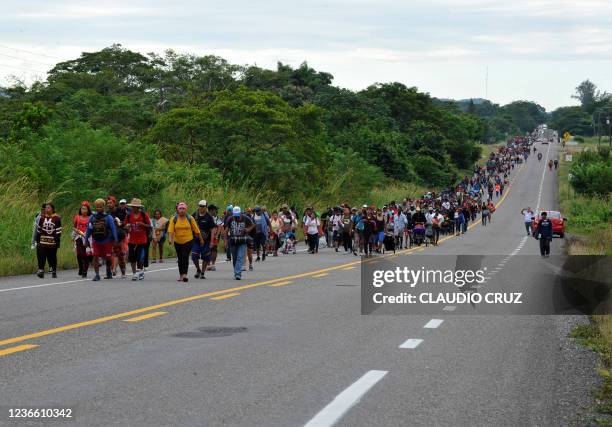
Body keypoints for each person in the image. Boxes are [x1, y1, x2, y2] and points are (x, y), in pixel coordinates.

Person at [168, 202, 202, 283]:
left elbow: (196, 230)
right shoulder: (174, 219)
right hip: (177, 241)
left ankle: (185, 275)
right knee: (180, 258)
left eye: (183, 209)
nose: (182, 210)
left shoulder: (190, 218)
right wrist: (170, 239)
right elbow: (170, 230)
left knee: (185, 256)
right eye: (180, 209)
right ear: (178, 209)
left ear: (186, 210)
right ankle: (181, 275)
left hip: (188, 240)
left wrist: (201, 239)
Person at [85, 198, 118, 281]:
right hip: (96, 241)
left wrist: (115, 240)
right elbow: (88, 230)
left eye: (100, 206)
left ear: (104, 207)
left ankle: (108, 271)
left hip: (107, 241)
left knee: (108, 258)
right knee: (95, 257)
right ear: (95, 207)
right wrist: (86, 240)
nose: (99, 208)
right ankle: (97, 275)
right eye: (97, 207)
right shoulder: (92, 218)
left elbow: (113, 229)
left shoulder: (108, 217)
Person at [124, 198, 151, 281]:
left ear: (139, 207)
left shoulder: (144, 215)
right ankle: (134, 273)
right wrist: (127, 226)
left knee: (140, 257)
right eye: (133, 207)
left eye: (136, 207)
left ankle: (141, 271)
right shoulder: (129, 215)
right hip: (132, 240)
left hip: (142, 240)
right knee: (132, 257)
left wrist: (142, 224)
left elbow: (149, 225)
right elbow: (125, 226)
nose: (134, 208)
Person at [225, 206, 254, 280]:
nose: (236, 217)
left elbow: (252, 225)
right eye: (235, 215)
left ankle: (238, 273)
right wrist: (225, 241)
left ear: (240, 213)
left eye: (238, 215)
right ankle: (236, 271)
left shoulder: (245, 218)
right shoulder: (230, 219)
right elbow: (226, 230)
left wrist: (248, 229)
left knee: (240, 257)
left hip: (242, 241)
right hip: (233, 241)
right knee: (234, 258)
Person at [34, 202, 62, 278]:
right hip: (42, 241)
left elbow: (58, 231)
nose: (47, 209)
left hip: (52, 242)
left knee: (52, 256)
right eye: (46, 208)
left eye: (48, 207)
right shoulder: (42, 218)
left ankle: (54, 270)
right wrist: (37, 240)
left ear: (52, 209)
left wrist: (56, 241)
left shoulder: (57, 218)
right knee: (41, 255)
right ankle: (41, 270)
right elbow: (39, 230)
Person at [191, 200, 216, 279]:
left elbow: (212, 230)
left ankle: (202, 272)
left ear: (206, 207)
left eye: (202, 206)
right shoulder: (194, 215)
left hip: (206, 241)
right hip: (196, 240)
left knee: (205, 256)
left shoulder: (209, 217)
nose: (201, 208)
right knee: (194, 256)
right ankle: (198, 269)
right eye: (200, 206)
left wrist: (212, 241)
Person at [107, 196, 127, 278]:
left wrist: (120, 222)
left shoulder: (121, 211)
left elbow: (126, 222)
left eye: (110, 202)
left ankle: (123, 271)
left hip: (120, 234)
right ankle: (114, 269)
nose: (109, 204)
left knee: (120, 254)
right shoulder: (107, 214)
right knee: (113, 253)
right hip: (111, 235)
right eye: (108, 203)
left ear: (114, 203)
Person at [72, 201, 92, 277]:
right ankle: (80, 267)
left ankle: (85, 271)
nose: (83, 210)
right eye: (82, 209)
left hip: (87, 238)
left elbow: (91, 227)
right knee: (79, 254)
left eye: (85, 209)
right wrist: (76, 230)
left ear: (88, 210)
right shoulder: (77, 217)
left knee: (85, 255)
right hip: (79, 237)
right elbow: (74, 226)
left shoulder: (90, 218)